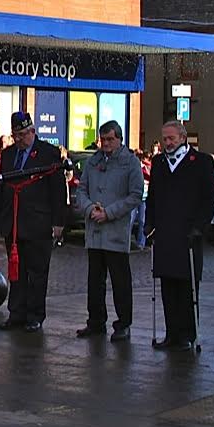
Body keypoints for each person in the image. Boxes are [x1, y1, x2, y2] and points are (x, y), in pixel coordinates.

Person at [145, 120, 214, 352]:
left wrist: (199, 227)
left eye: (171, 139)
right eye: (164, 139)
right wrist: (150, 226)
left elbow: (209, 198)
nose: (167, 143)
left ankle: (188, 333)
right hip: (165, 233)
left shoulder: (202, 162)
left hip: (188, 235)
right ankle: (171, 332)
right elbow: (153, 198)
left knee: (188, 286)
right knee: (167, 285)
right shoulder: (158, 163)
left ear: (183, 138)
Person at [0, 113, 67, 332]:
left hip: (39, 222)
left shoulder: (48, 153)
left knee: (37, 272)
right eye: (16, 135)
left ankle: (35, 315)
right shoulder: (7, 155)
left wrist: (58, 222)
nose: (19, 139)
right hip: (14, 221)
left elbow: (57, 190)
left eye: (23, 135)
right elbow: (3, 188)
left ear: (33, 131)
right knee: (16, 272)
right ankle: (16, 313)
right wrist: (0, 219)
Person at [73, 120, 142, 342]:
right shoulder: (93, 162)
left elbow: (135, 195)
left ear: (120, 139)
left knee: (120, 281)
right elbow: (81, 190)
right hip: (94, 231)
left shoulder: (130, 163)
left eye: (110, 139)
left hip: (115, 230)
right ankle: (95, 321)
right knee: (95, 280)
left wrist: (109, 213)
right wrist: (90, 208)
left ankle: (123, 324)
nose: (106, 144)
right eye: (103, 139)